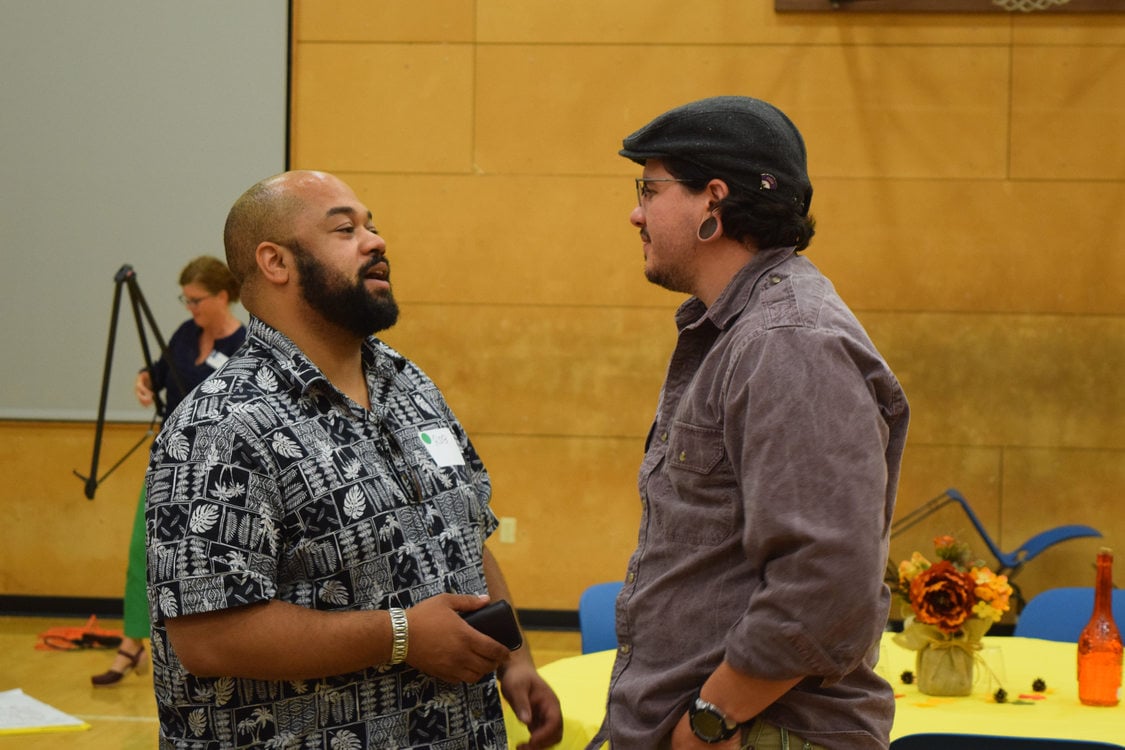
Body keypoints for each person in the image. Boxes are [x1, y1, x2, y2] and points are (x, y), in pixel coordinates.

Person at [144, 170, 563, 749]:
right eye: (345, 229)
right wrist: (401, 635)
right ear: (275, 262)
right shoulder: (217, 425)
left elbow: (465, 536)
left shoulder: (408, 384)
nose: (375, 241)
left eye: (373, 225)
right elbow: (208, 637)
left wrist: (513, 657)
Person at [590, 96, 910, 750]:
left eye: (649, 189)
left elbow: (828, 578)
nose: (635, 212)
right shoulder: (743, 331)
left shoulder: (786, 341)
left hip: (756, 731)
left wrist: (709, 720)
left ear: (712, 201)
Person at [91, 256, 245, 686]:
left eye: (196, 300)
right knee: (143, 548)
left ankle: (203, 645)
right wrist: (144, 381)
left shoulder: (244, 345)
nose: (190, 308)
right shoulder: (184, 334)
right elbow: (157, 375)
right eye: (186, 299)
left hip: (216, 469)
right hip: (167, 461)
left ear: (221, 296)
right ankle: (131, 644)